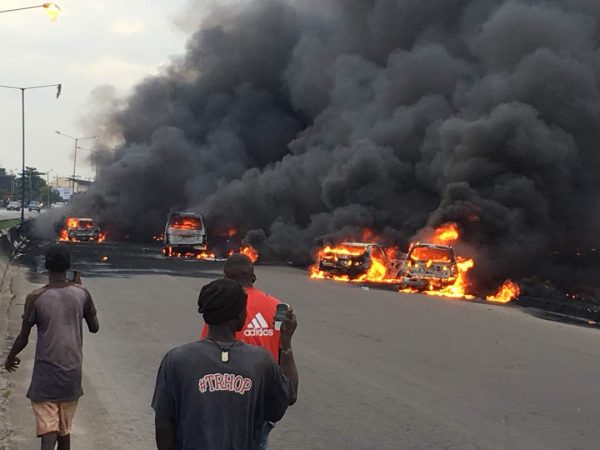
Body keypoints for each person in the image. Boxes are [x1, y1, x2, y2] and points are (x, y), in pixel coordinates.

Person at [153, 278, 298, 450]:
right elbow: (286, 399)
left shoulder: (176, 359)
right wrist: (286, 344)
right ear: (239, 315)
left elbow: (163, 423)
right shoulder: (260, 360)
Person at [3, 243, 99, 450]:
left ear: (46, 265)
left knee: (48, 431)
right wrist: (82, 293)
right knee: (64, 431)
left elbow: (23, 337)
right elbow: (94, 328)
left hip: (46, 376)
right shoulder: (82, 293)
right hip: (72, 375)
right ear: (68, 265)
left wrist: (10, 356)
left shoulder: (35, 297)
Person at [199, 253, 287, 448]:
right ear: (252, 277)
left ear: (227, 277)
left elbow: (207, 349)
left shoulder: (224, 306)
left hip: (229, 392)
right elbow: (282, 348)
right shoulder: (277, 307)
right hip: (263, 395)